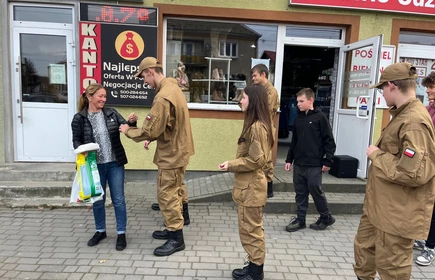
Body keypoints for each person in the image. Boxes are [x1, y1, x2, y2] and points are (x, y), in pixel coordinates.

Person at [353, 62, 435, 279]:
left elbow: (416, 173)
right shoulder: (402, 114)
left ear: (391, 86)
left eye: (381, 89)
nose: (381, 94)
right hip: (380, 207)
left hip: (397, 214)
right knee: (364, 253)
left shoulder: (413, 121)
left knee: (393, 269)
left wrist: (376, 155)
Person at [119, 57, 194, 257]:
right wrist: (153, 138)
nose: (144, 81)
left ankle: (176, 238)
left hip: (171, 154)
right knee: (175, 190)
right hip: (179, 149)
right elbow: (168, 124)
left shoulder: (162, 97)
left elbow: (150, 129)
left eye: (144, 76)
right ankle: (172, 229)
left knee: (167, 195)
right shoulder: (173, 87)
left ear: (151, 71)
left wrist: (128, 130)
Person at [71, 83, 137, 251]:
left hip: (115, 163)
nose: (103, 99)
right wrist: (83, 151)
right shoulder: (79, 118)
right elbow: (76, 141)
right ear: (89, 97)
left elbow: (126, 128)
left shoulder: (111, 113)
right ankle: (100, 231)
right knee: (98, 200)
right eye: (100, 96)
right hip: (94, 166)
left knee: (119, 200)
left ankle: (121, 233)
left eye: (105, 96)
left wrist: (131, 122)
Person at [219, 85, 273, 280]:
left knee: (252, 230)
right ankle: (253, 264)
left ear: (253, 101)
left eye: (243, 98)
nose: (240, 101)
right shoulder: (256, 124)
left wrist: (231, 164)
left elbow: (257, 160)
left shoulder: (257, 127)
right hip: (249, 187)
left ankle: (256, 271)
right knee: (250, 228)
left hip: (251, 188)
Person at [284, 88, 336, 232]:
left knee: (315, 189)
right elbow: (294, 141)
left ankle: (326, 216)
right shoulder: (299, 119)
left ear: (310, 100)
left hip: (314, 164)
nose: (298, 104)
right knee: (300, 192)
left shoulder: (320, 118)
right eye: (297, 101)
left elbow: (329, 141)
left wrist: (328, 161)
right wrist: (289, 159)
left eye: (301, 101)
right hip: (299, 164)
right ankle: (300, 219)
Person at [413, 71, 435, 266]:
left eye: (432, 87)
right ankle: (423, 238)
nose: (428, 90)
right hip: (427, 167)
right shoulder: (428, 109)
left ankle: (431, 247)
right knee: (425, 204)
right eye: (427, 87)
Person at [251, 64, 280, 198]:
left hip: (266, 127)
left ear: (263, 75)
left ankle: (269, 186)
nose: (253, 78)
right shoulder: (258, 89)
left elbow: (264, 110)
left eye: (255, 75)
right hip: (257, 126)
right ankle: (260, 183)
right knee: (256, 154)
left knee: (266, 157)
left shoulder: (271, 91)